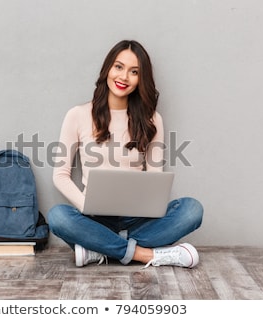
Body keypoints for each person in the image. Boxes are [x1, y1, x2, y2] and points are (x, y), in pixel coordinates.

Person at [47, 40, 203, 268]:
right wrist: (85, 206)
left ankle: (100, 250)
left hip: (138, 220)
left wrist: (149, 204)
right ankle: (147, 255)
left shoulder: (153, 120)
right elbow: (60, 175)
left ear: (141, 79)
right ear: (107, 68)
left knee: (192, 210)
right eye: (118, 67)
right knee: (58, 217)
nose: (124, 77)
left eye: (134, 72)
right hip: (94, 220)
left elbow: (154, 176)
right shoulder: (78, 115)